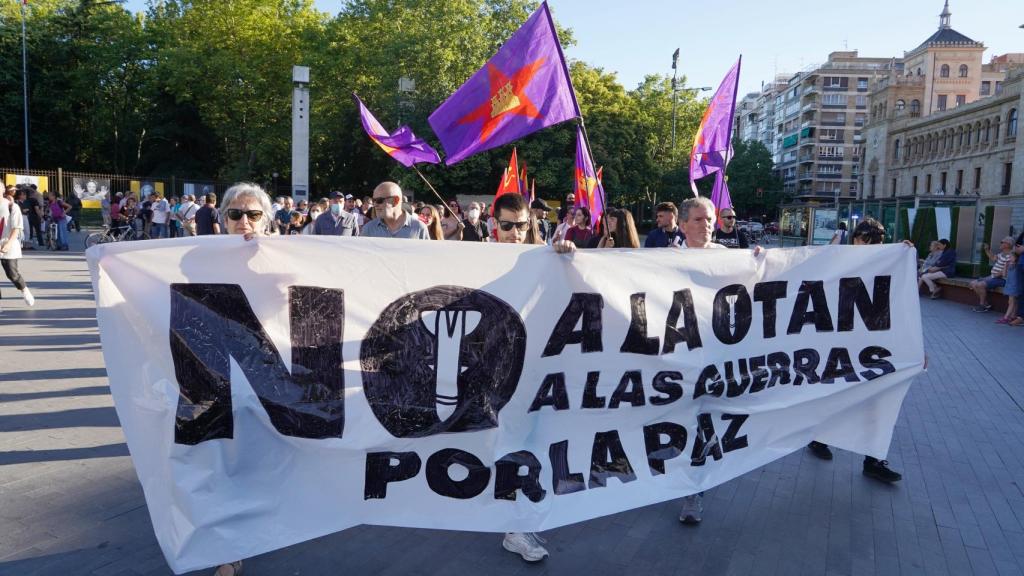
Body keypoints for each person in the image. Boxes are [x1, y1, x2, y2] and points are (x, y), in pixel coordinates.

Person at [808, 217, 904, 484]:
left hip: (873, 347)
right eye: (867, 240)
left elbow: (902, 302)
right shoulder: (841, 261)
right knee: (836, 394)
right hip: (841, 345)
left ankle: (874, 459)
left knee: (878, 402)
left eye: (878, 240)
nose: (873, 245)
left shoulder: (889, 262)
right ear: (857, 239)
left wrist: (904, 255)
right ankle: (818, 438)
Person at [1, 187, 34, 309]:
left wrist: (8, 243)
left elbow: (17, 228)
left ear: (2, 190)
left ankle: (24, 290)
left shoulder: (12, 206)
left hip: (8, 243)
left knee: (12, 274)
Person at [361, 182, 430, 239]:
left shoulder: (419, 228)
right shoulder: (368, 229)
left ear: (395, 201)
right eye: (374, 201)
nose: (375, 204)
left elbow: (426, 254)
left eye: (379, 200)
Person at [970, 238, 1014, 312]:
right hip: (993, 277)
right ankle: (985, 304)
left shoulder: (1011, 256)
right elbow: (993, 258)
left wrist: (992, 277)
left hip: (1002, 279)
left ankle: (982, 306)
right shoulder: (1001, 254)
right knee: (973, 283)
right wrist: (987, 249)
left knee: (980, 285)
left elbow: (1006, 271)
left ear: (1008, 245)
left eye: (1002, 242)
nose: (1000, 243)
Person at [1003, 231, 1024, 326]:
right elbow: (1017, 245)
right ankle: (1019, 316)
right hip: (1021, 265)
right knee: (1021, 294)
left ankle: (1019, 317)